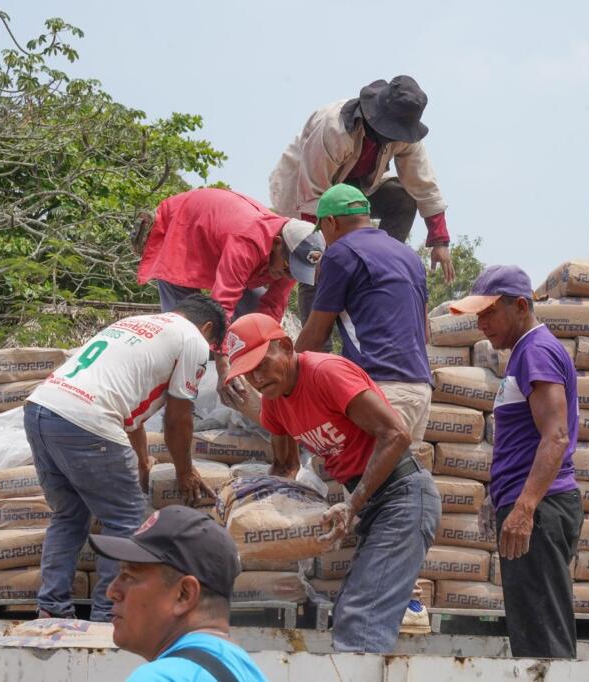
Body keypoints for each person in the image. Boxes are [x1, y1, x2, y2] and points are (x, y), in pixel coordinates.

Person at [222, 313, 441, 653]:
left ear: (284, 346)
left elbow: (396, 435)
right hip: (372, 503)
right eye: (247, 372)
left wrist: (352, 505)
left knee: (360, 623)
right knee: (348, 614)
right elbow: (284, 468)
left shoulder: (326, 373)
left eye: (262, 364)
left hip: (404, 497)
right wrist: (249, 512)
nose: (257, 377)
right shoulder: (274, 402)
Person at [23, 295, 226, 623]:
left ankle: (52, 609)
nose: (208, 355)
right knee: (126, 519)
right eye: (213, 346)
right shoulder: (194, 340)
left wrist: (143, 460)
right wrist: (185, 470)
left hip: (41, 409)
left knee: (68, 515)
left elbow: (131, 415)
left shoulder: (133, 326)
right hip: (88, 418)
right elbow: (178, 418)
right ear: (207, 329)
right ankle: (106, 617)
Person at [450, 265, 582, 658]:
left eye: (489, 313)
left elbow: (555, 436)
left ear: (521, 306)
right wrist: (500, 497)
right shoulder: (526, 353)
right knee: (532, 633)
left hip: (541, 511)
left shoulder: (535, 352)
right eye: (478, 315)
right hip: (535, 507)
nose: (481, 324)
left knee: (544, 643)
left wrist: (524, 508)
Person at [269, 74, 455, 327]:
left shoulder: (405, 135)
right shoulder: (334, 129)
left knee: (403, 199)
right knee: (316, 264)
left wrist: (440, 239)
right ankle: (316, 347)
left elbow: (422, 182)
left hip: (357, 190)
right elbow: (313, 195)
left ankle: (376, 265)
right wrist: (328, 253)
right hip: (308, 195)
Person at [295, 184, 432, 452]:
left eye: (322, 230)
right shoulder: (409, 255)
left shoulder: (339, 254)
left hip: (378, 390)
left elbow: (316, 334)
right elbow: (426, 333)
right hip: (420, 389)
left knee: (368, 488)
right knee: (401, 489)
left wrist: (287, 376)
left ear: (331, 222)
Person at [91, 505, 268, 681]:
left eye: (129, 576)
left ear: (184, 595)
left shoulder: (161, 677)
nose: (111, 592)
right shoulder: (248, 672)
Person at [136, 187, 324, 322]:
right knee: (188, 325)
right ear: (276, 243)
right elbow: (222, 306)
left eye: (295, 274)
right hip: (182, 229)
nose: (287, 276)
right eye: (287, 269)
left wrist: (261, 343)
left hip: (220, 246)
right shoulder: (247, 242)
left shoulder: (293, 253)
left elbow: (273, 307)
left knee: (253, 318)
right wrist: (223, 361)